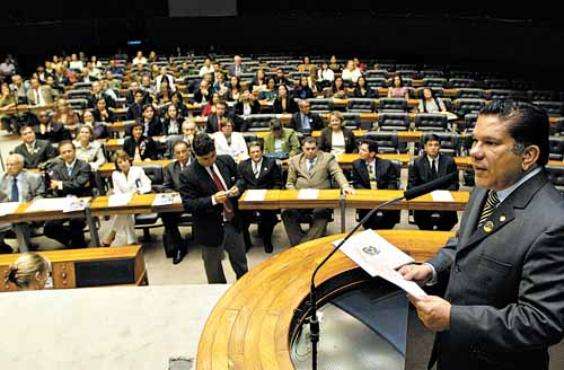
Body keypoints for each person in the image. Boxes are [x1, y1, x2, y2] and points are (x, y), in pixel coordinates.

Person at [399, 101, 564, 370]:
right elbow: (465, 244)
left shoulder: (554, 223)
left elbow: (541, 320)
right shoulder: (487, 186)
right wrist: (430, 269)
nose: (474, 152)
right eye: (475, 140)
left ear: (529, 155)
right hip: (454, 353)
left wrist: (454, 318)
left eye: (490, 143)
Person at [179, 134, 249, 284]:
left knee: (241, 264)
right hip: (209, 228)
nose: (210, 160)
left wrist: (238, 187)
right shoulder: (187, 175)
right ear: (195, 155)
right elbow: (189, 204)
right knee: (214, 271)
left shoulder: (226, 160)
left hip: (232, 222)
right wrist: (212, 200)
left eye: (212, 156)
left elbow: (241, 179)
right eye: (205, 158)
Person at [282, 137, 354, 246]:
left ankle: (301, 246)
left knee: (322, 213)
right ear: (302, 148)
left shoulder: (327, 158)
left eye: (313, 148)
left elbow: (337, 172)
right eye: (307, 149)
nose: (310, 151)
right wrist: (295, 194)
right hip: (300, 199)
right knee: (286, 212)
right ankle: (306, 244)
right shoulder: (295, 160)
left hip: (321, 200)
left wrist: (345, 186)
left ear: (317, 148)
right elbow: (289, 183)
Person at [44, 141, 91, 248]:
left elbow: (79, 184)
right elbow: (55, 187)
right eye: (64, 152)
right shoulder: (56, 168)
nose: (67, 154)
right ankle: (71, 241)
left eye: (69, 151)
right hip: (63, 202)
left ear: (74, 151)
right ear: (60, 154)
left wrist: (60, 184)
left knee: (76, 221)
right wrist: (64, 186)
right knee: (49, 227)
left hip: (81, 201)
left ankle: (77, 244)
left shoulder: (84, 165)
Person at [238, 141, 283, 253]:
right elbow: (241, 182)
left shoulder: (271, 163)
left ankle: (267, 240)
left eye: (258, 151)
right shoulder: (243, 165)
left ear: (262, 152)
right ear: (249, 154)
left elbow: (278, 183)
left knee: (268, 217)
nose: (256, 154)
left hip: (266, 199)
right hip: (249, 200)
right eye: (253, 152)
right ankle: (246, 242)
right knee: (240, 217)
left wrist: (271, 195)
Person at [408, 134, 459, 230]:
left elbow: (454, 184)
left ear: (439, 147)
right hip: (424, 203)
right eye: (430, 145)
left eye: (436, 145)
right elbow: (412, 185)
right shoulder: (417, 163)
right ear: (425, 147)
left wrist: (442, 195)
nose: (433, 148)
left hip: (444, 202)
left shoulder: (449, 162)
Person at [102, 150, 152, 247]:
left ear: (129, 161)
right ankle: (132, 241)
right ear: (117, 165)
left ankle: (112, 234)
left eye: (125, 160)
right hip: (125, 203)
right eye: (120, 162)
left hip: (139, 201)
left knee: (124, 212)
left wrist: (139, 191)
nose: (123, 164)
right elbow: (117, 192)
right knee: (126, 212)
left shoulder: (138, 170)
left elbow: (148, 185)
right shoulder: (115, 175)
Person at [351, 140, 400, 229]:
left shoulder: (387, 164)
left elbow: (392, 183)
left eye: (363, 150)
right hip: (367, 199)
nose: (360, 152)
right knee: (369, 223)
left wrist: (382, 196)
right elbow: (356, 183)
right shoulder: (356, 164)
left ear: (372, 153)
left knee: (386, 222)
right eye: (360, 149)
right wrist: (370, 195)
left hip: (385, 199)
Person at [0, 154, 44, 252]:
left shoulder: (34, 178)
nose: (8, 168)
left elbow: (40, 196)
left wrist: (31, 206)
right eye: (7, 165)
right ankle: (3, 248)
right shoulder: (2, 178)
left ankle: (25, 251)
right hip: (6, 213)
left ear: (21, 165)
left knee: (19, 222)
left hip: (27, 214)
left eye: (12, 165)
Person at [159, 140, 193, 263]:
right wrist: (173, 194)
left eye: (184, 151)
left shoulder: (197, 164)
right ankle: (178, 246)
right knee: (166, 214)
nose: (181, 155)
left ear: (189, 151)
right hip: (179, 203)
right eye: (178, 153)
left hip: (195, 201)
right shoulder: (171, 167)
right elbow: (166, 186)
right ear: (174, 154)